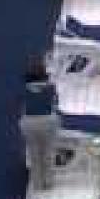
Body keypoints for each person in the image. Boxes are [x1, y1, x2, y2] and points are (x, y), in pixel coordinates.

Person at [20, 55, 61, 191]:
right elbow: (56, 103)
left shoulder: (23, 90)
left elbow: (20, 107)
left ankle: (37, 183)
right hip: (48, 121)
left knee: (34, 153)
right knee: (48, 152)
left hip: (29, 123)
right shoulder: (51, 88)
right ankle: (48, 183)